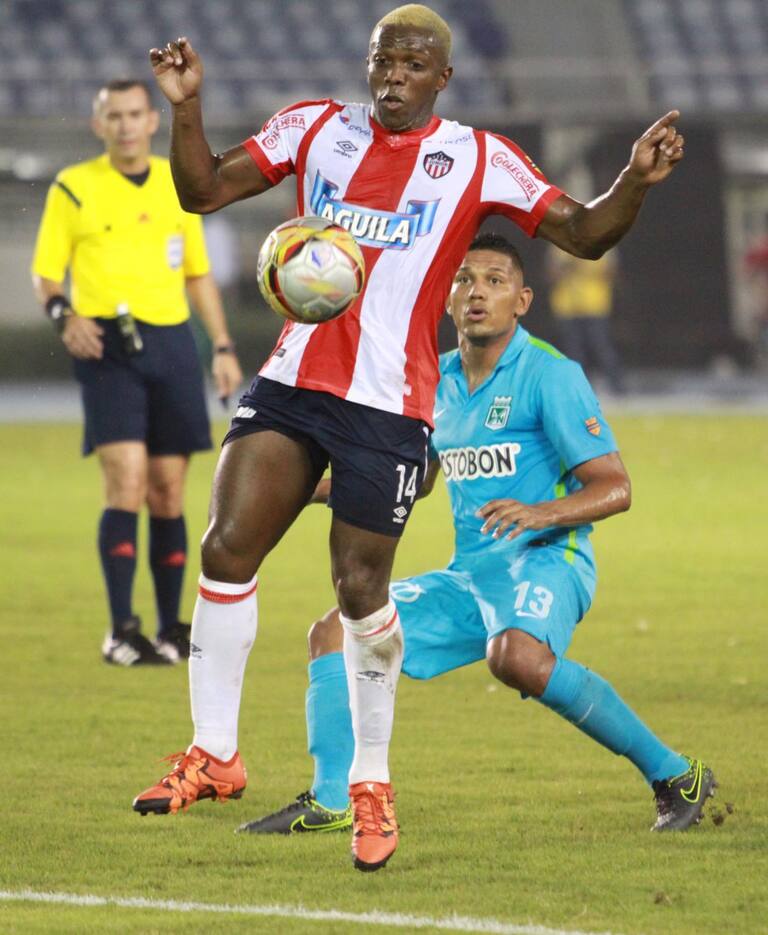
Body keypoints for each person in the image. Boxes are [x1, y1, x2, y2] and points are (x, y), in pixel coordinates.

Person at [133, 4, 685, 872]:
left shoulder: (478, 156)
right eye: (383, 59)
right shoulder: (315, 128)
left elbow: (583, 232)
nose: (394, 74)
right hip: (293, 378)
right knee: (225, 548)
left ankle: (370, 784)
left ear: (442, 78)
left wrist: (636, 181)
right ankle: (215, 751)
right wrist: (186, 106)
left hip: (387, 405)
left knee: (360, 594)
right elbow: (201, 191)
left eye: (413, 63)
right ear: (368, 64)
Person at [237, 234, 716, 840]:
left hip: (549, 558)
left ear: (523, 300)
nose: (477, 292)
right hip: (472, 575)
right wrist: (311, 487)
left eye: (494, 280)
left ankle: (676, 775)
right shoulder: (433, 378)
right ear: (446, 298)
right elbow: (418, 478)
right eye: (464, 279)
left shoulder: (550, 375)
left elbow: (615, 487)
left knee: (516, 657)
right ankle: (333, 800)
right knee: (332, 633)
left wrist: (540, 513)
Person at [31, 79, 242, 667]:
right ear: (98, 125)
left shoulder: (178, 185)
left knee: (168, 489)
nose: (124, 125)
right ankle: (122, 629)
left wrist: (222, 345)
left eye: (133, 114)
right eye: (113, 116)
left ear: (152, 121)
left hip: (172, 344)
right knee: (124, 479)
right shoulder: (73, 186)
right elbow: (45, 273)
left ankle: (171, 628)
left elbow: (197, 274)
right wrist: (63, 314)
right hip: (107, 346)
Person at [548, 248, 625, 394]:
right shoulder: (559, 245)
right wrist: (566, 266)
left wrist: (586, 261)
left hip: (595, 304)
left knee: (601, 347)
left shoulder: (602, 242)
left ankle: (617, 387)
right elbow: (551, 274)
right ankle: (579, 387)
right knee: (573, 350)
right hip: (567, 305)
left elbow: (612, 272)